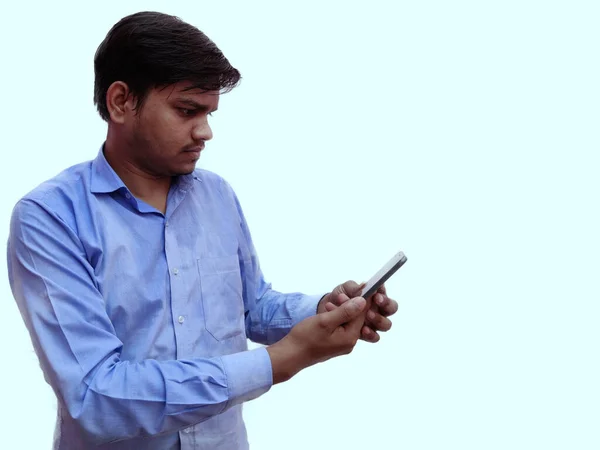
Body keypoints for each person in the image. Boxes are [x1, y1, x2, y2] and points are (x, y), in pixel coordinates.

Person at [7, 11, 399, 450]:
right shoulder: (50, 219)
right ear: (120, 102)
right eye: (186, 110)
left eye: (210, 112)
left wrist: (322, 310)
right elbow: (96, 395)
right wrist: (279, 361)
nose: (206, 131)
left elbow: (252, 307)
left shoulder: (216, 195)